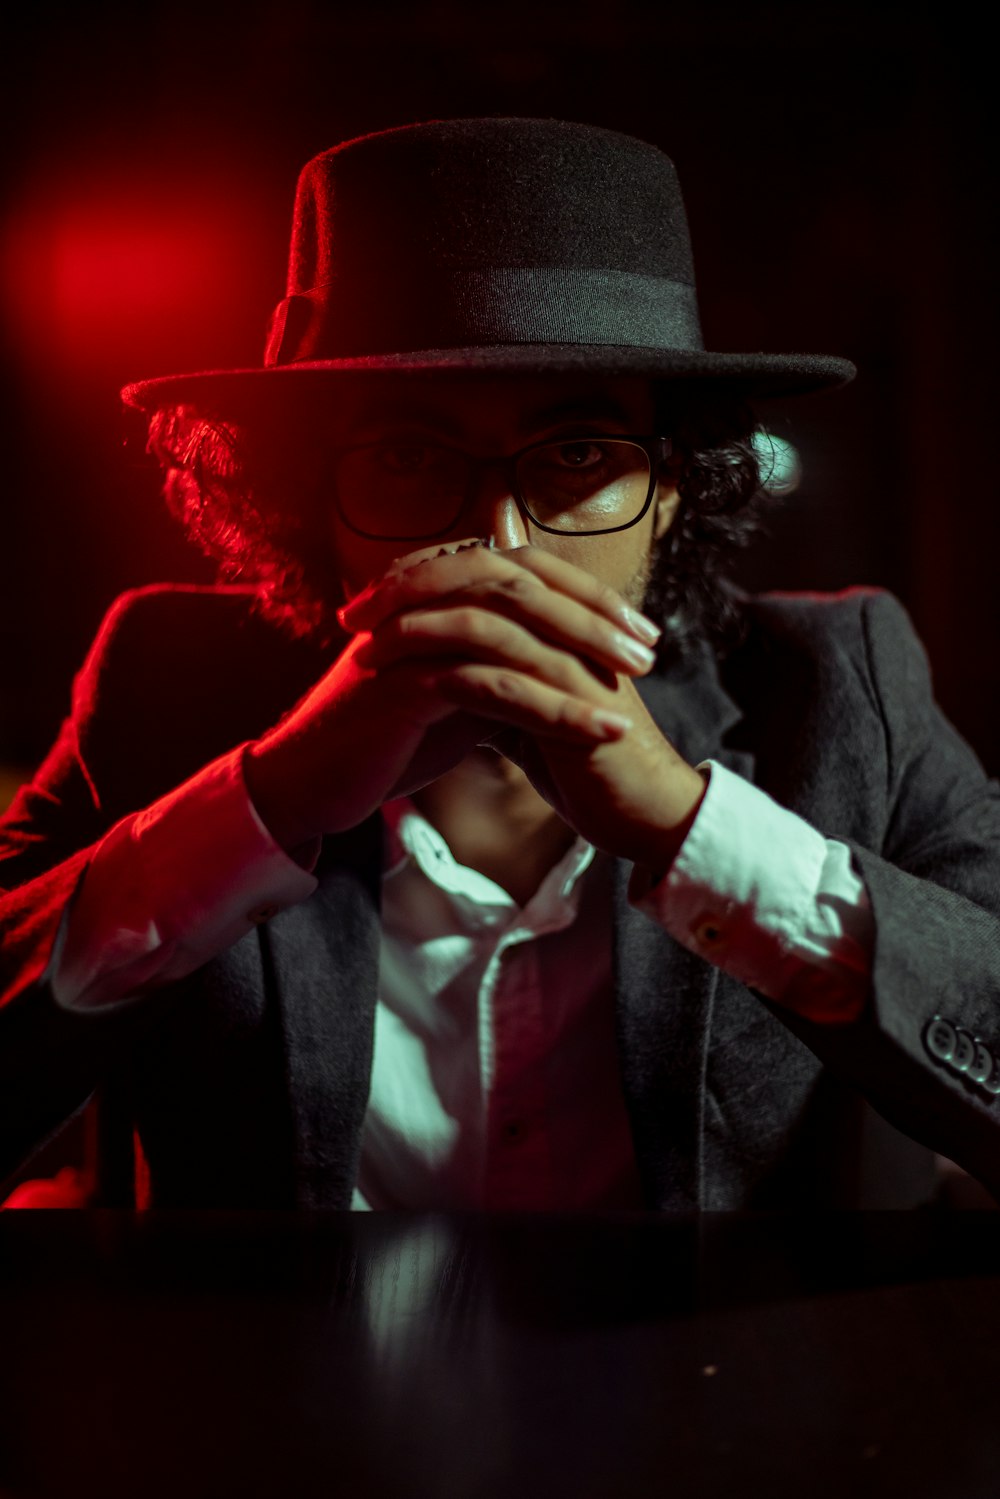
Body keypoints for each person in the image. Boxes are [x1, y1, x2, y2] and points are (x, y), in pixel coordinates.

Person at [2, 117, 999, 1212]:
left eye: (576, 455)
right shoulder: (163, 681)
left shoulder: (840, 680)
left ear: (672, 488)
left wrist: (688, 825)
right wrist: (264, 800)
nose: (497, 545)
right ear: (306, 500)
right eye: (409, 455)